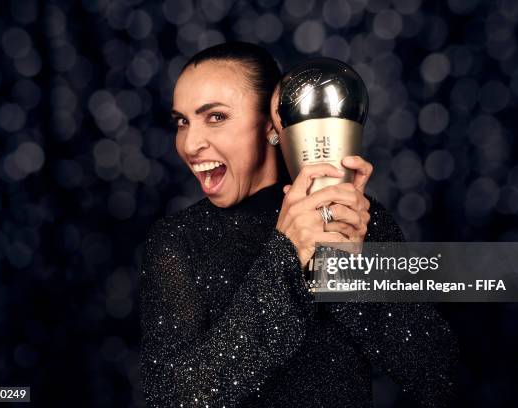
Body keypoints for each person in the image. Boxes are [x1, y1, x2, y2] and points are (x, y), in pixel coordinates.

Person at [140, 42, 458, 407]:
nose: (190, 143)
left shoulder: (352, 217)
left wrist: (346, 268)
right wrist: (285, 255)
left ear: (273, 124)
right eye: (182, 121)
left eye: (215, 117)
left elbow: (436, 375)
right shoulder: (177, 241)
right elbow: (174, 397)